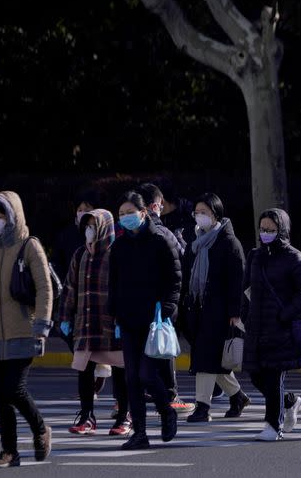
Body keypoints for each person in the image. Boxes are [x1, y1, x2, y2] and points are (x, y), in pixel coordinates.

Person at [0, 191, 53, 468]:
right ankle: (9, 451)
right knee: (0, 393)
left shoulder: (30, 246)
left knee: (13, 389)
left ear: (13, 215)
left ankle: (41, 429)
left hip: (24, 330)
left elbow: (45, 288)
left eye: (0, 216)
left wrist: (42, 324)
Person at [109, 191, 181, 450]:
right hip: (128, 320)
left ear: (143, 213)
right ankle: (140, 433)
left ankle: (167, 411)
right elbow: (114, 283)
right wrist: (114, 313)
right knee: (131, 379)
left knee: (147, 374)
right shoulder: (118, 246)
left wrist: (168, 309)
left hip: (154, 320)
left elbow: (175, 278)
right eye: (121, 214)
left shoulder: (161, 240)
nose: (126, 218)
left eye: (130, 212)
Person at [60, 209, 131, 435]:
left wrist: (122, 319)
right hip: (85, 323)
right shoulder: (80, 254)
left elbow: (123, 289)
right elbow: (70, 287)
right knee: (84, 370)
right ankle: (87, 415)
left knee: (120, 371)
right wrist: (65, 318)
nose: (89, 230)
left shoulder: (117, 253)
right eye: (86, 226)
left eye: (93, 226)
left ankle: (123, 416)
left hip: (111, 324)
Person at [181, 193, 250, 422]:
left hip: (220, 312)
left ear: (216, 215)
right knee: (213, 359)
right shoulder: (197, 241)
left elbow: (237, 281)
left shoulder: (229, 243)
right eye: (197, 213)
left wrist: (234, 313)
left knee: (205, 358)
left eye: (205, 213)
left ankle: (202, 406)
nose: (200, 217)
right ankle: (237, 396)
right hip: (198, 309)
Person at [243, 208, 301, 441]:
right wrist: (243, 315)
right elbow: (246, 289)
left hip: (280, 327)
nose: (266, 233)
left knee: (273, 377)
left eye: (271, 230)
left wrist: (285, 314)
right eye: (262, 229)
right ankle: (290, 401)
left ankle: (273, 426)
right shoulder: (255, 256)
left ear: (281, 230)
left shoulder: (294, 257)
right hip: (256, 326)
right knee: (255, 375)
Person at [137, 182, 195, 415]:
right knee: (163, 349)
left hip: (139, 303)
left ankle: (128, 403)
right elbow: (180, 268)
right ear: (155, 205)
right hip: (160, 303)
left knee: (139, 351)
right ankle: (170, 395)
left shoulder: (126, 235)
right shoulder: (163, 233)